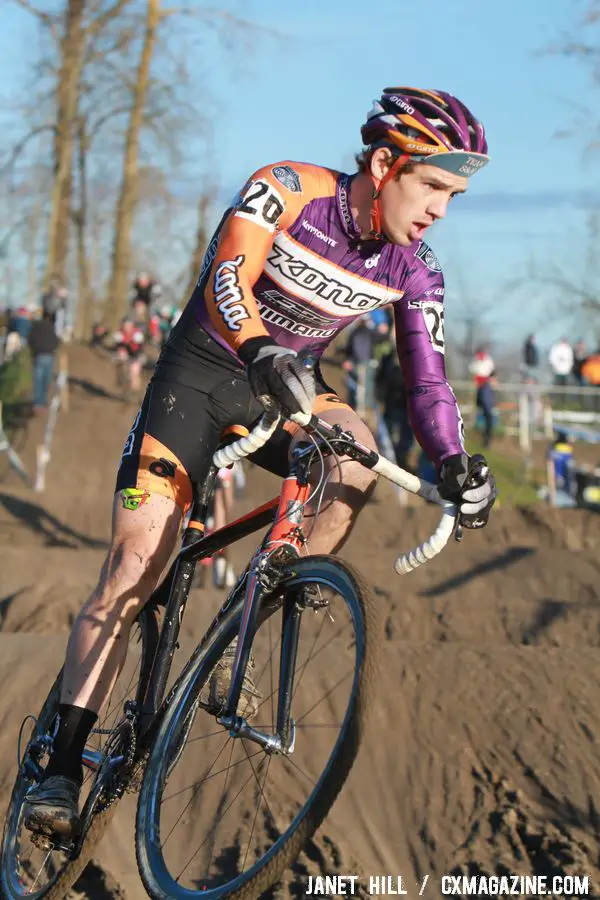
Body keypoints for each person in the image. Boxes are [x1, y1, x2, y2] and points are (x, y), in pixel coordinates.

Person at [23, 86, 498, 839]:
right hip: (201, 378)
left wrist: (454, 462)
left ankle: (254, 615)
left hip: (288, 390)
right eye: (433, 184)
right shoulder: (286, 189)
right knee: (136, 566)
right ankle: (60, 761)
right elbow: (226, 279)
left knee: (360, 455)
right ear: (383, 163)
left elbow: (429, 380)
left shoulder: (417, 267)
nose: (442, 207)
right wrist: (259, 347)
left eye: (455, 193)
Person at [27, 310, 60, 414]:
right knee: (46, 380)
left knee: (38, 380)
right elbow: (56, 341)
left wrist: (34, 350)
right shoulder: (52, 328)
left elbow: (30, 339)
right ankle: (42, 402)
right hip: (49, 355)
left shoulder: (36, 326)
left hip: (39, 354)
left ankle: (38, 403)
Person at [469, 344, 496, 448]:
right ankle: (480, 436)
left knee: (487, 414)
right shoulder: (475, 362)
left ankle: (486, 440)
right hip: (479, 388)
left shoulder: (488, 361)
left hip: (485, 388)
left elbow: (492, 374)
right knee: (481, 413)